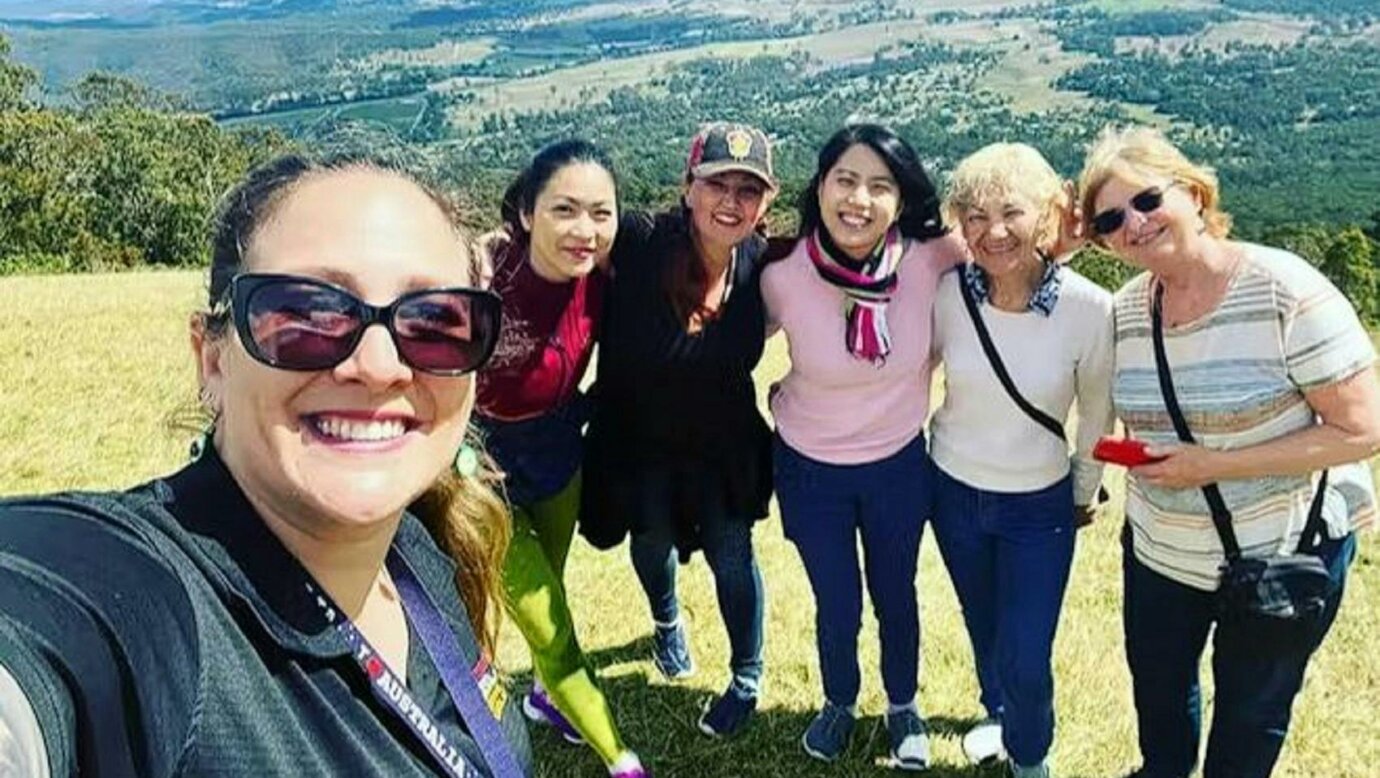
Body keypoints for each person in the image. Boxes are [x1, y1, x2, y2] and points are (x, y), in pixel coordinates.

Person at [0, 154, 533, 777]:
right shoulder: (151, 596)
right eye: (306, 314)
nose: (380, 364)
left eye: (435, 321)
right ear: (213, 361)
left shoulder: (419, 555)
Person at [1078, 125, 1380, 778]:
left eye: (1147, 200)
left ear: (1192, 190)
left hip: (1278, 552)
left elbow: (1364, 429)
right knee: (1158, 697)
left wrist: (1213, 466)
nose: (1133, 223)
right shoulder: (1128, 312)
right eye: (1109, 218)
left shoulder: (1285, 290)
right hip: (1161, 552)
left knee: (1250, 715)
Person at [760, 123, 965, 769]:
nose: (859, 199)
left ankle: (903, 705)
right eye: (845, 180)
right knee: (838, 600)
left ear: (902, 201)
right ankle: (839, 701)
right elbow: (715, 332)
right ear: (820, 187)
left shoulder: (934, 259)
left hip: (897, 467)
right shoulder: (781, 273)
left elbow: (1016, 248)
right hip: (809, 468)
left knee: (896, 593)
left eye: (880, 186)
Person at [579, 122, 776, 738]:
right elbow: (564, 241)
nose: (731, 200)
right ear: (689, 186)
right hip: (638, 445)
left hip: (722, 450)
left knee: (734, 559)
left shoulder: (763, 266)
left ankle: (747, 677)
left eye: (749, 189)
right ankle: (667, 626)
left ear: (765, 204)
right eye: (717, 183)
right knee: (651, 543)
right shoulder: (638, 242)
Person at [930, 142, 1114, 778]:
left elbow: (1096, 415)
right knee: (983, 625)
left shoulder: (1090, 310)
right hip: (951, 490)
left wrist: (1084, 491)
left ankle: (1031, 759)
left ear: (1046, 215)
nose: (993, 231)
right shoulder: (948, 294)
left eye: (1011, 211)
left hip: (1039, 504)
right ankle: (996, 712)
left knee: (1028, 651)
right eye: (974, 215)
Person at [475, 139, 645, 777]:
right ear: (524, 212)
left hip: (556, 450)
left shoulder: (602, 274)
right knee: (548, 624)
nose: (585, 230)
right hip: (480, 468)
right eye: (565, 210)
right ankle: (619, 757)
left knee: (553, 584)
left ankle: (548, 697)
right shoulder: (483, 277)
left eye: (602, 213)